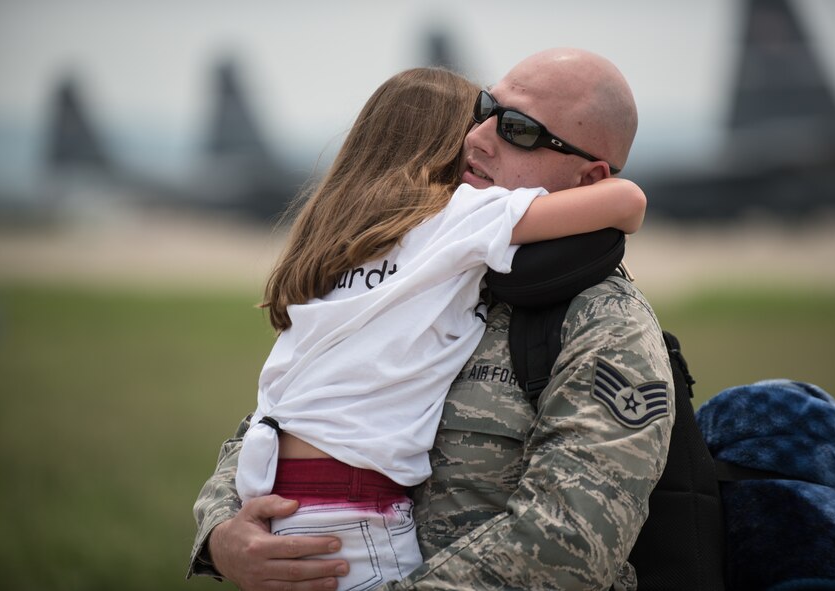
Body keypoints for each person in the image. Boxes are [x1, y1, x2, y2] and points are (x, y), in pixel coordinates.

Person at [189, 47, 674, 591]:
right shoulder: (411, 264)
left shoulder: (602, 325)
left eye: (517, 129)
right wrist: (222, 535)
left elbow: (570, 542)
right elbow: (284, 417)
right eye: (483, 109)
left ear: (590, 182)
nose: (477, 137)